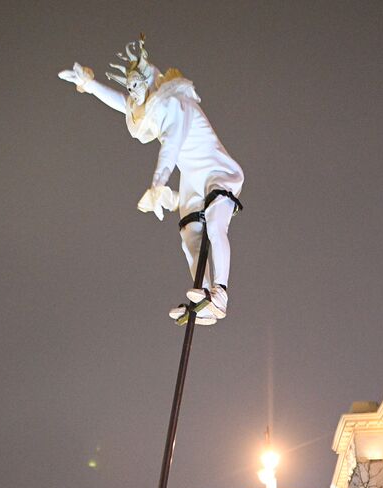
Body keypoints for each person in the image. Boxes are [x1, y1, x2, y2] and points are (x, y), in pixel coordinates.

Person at [59, 36, 244, 326]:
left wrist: (158, 183)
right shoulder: (153, 107)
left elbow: (170, 147)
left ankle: (220, 290)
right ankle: (205, 296)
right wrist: (89, 84)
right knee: (190, 234)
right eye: (129, 87)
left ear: (149, 82)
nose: (132, 92)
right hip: (193, 178)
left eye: (136, 84)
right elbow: (123, 104)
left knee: (215, 222)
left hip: (217, 171)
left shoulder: (176, 105)